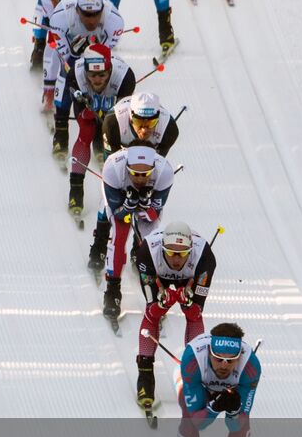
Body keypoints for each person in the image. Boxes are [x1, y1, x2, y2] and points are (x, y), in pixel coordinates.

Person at [134, 222, 216, 415]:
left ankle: (197, 373)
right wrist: (162, 303)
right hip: (157, 275)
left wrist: (188, 303)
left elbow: (196, 312)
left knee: (194, 315)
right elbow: (151, 310)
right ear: (162, 248)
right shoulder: (147, 253)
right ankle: (145, 374)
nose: (177, 259)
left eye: (182, 253)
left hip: (191, 277)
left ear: (191, 250)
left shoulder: (205, 257)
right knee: (153, 313)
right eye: (170, 253)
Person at [93, 145, 174, 322]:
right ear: (127, 167)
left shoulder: (164, 172)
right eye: (135, 173)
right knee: (118, 239)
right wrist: (129, 205)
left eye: (145, 174)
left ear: (153, 169)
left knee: (151, 244)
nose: (140, 179)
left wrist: (144, 204)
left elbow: (154, 213)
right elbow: (116, 212)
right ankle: (112, 290)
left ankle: (154, 293)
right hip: (120, 199)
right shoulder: (113, 167)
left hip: (144, 204)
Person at [63, 44, 136, 219]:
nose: (96, 80)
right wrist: (89, 110)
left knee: (115, 132)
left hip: (116, 101)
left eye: (102, 75)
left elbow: (122, 116)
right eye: (92, 75)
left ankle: (119, 183)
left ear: (110, 70)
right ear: (85, 72)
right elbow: (80, 111)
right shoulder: (76, 74)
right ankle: (76, 190)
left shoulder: (125, 77)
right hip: (88, 104)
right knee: (86, 130)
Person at [43, 0, 126, 128]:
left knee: (101, 74)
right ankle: (61, 125)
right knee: (66, 72)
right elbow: (66, 59)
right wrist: (75, 54)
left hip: (98, 40)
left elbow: (104, 60)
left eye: (95, 14)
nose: (92, 20)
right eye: (87, 15)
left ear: (102, 10)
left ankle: (103, 121)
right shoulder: (59, 18)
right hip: (69, 38)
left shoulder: (115, 21)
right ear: (77, 10)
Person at [102, 91, 179, 156]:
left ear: (158, 119)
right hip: (115, 130)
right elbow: (111, 161)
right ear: (130, 118)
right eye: (139, 122)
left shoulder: (169, 129)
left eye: (151, 122)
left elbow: (157, 162)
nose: (144, 131)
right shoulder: (112, 124)